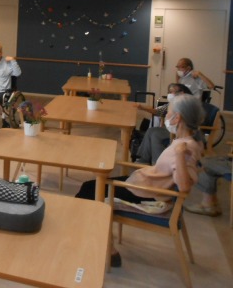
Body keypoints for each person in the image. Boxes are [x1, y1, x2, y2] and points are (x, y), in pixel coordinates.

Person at [76, 94, 203, 267]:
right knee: (90, 186)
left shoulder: (185, 148)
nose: (166, 116)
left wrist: (180, 155)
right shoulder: (185, 141)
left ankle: (106, 249)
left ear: (177, 118)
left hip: (148, 194)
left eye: (168, 113)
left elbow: (184, 187)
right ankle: (100, 240)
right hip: (144, 185)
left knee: (89, 192)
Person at [134, 83, 194, 164]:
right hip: (171, 128)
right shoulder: (172, 103)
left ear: (181, 92)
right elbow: (158, 111)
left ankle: (157, 163)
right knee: (151, 131)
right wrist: (142, 107)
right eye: (168, 92)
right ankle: (143, 159)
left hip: (180, 131)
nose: (169, 94)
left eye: (171, 92)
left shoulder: (187, 104)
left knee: (155, 134)